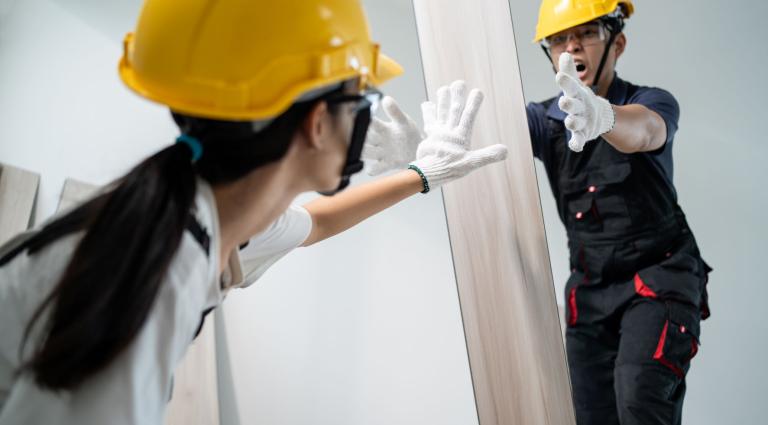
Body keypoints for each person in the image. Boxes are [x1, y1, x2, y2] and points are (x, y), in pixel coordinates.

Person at [0, 0, 507, 423]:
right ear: (315, 123)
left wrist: (424, 173)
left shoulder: (197, 213)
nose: (364, 117)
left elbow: (320, 221)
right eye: (359, 100)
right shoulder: (149, 275)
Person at [525, 1, 712, 424]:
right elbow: (493, 138)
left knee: (638, 398)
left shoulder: (650, 102)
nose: (572, 48)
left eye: (586, 33)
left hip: (658, 280)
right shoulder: (542, 121)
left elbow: (644, 130)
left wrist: (603, 115)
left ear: (617, 42)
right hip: (590, 293)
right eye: (559, 39)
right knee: (591, 416)